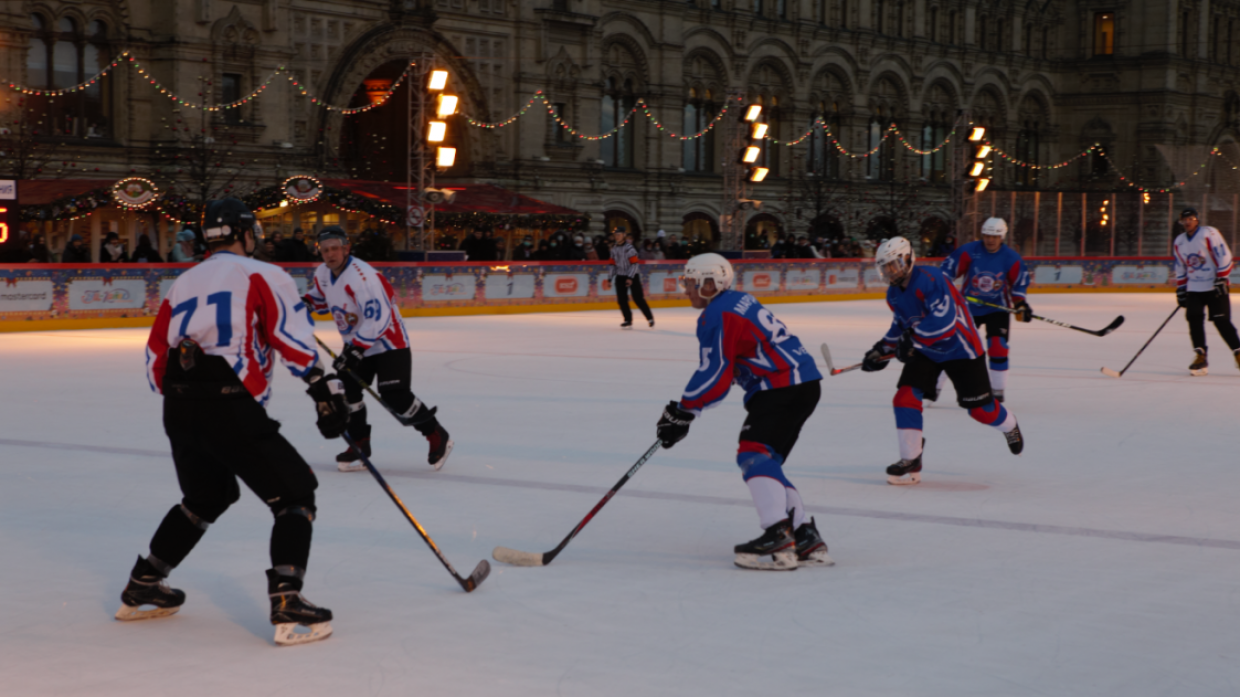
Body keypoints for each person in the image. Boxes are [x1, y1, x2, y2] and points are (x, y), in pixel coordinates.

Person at [119, 198, 349, 646]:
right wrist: (324, 390)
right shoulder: (264, 274)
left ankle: (144, 583)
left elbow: (154, 359)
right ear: (246, 233)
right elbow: (292, 336)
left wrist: (188, 397)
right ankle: (287, 598)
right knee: (296, 493)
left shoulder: (182, 282)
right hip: (229, 399)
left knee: (206, 496)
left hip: (179, 404)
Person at [656, 253, 829, 570]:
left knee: (752, 454)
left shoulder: (717, 315)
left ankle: (778, 533)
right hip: (801, 383)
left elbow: (716, 372)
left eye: (692, 283)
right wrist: (688, 413)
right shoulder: (736, 301)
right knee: (767, 461)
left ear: (710, 283)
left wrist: (682, 411)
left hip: (782, 386)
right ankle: (804, 536)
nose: (687, 289)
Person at [861, 236, 1024, 485]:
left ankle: (1009, 424)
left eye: (893, 265)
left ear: (907, 259)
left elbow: (945, 324)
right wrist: (880, 350)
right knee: (904, 397)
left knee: (980, 411)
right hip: (927, 350)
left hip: (961, 349)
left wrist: (911, 342)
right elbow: (901, 324)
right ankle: (911, 459)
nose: (890, 271)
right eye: (885, 267)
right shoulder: (893, 294)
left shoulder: (931, 279)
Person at [304, 226, 454, 472]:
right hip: (358, 343)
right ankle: (360, 444)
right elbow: (322, 295)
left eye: (335, 249)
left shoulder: (362, 278)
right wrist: (306, 303)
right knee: (345, 392)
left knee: (395, 394)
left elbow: (379, 319)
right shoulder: (323, 272)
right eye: (325, 250)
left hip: (388, 342)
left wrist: (355, 351)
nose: (330, 254)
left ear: (346, 249)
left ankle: (435, 433)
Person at [939, 217, 1030, 402]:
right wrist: (944, 290)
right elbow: (947, 271)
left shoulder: (1011, 258)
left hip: (997, 309)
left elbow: (1018, 284)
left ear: (1002, 237)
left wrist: (1020, 303)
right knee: (951, 346)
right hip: (968, 308)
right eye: (987, 235)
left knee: (998, 346)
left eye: (995, 236)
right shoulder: (970, 251)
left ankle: (997, 391)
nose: (990, 240)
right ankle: (932, 389)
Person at [1173, 207, 1240, 375]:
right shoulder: (1179, 241)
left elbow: (1224, 254)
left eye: (1191, 219)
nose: (1188, 222)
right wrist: (1181, 288)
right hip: (1194, 288)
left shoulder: (1209, 233)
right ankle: (1200, 357)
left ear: (1197, 219)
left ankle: (1238, 353)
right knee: (1193, 320)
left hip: (1214, 286)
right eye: (1185, 220)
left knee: (1221, 321)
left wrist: (1222, 277)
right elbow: (1180, 266)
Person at [609, 228, 654, 329]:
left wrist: (630, 277)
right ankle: (627, 319)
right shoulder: (614, 249)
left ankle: (649, 318)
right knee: (622, 300)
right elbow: (612, 265)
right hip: (620, 277)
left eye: (619, 234)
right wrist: (609, 278)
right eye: (616, 235)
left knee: (638, 298)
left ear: (624, 235)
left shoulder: (630, 248)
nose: (617, 237)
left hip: (632, 276)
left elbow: (634, 264)